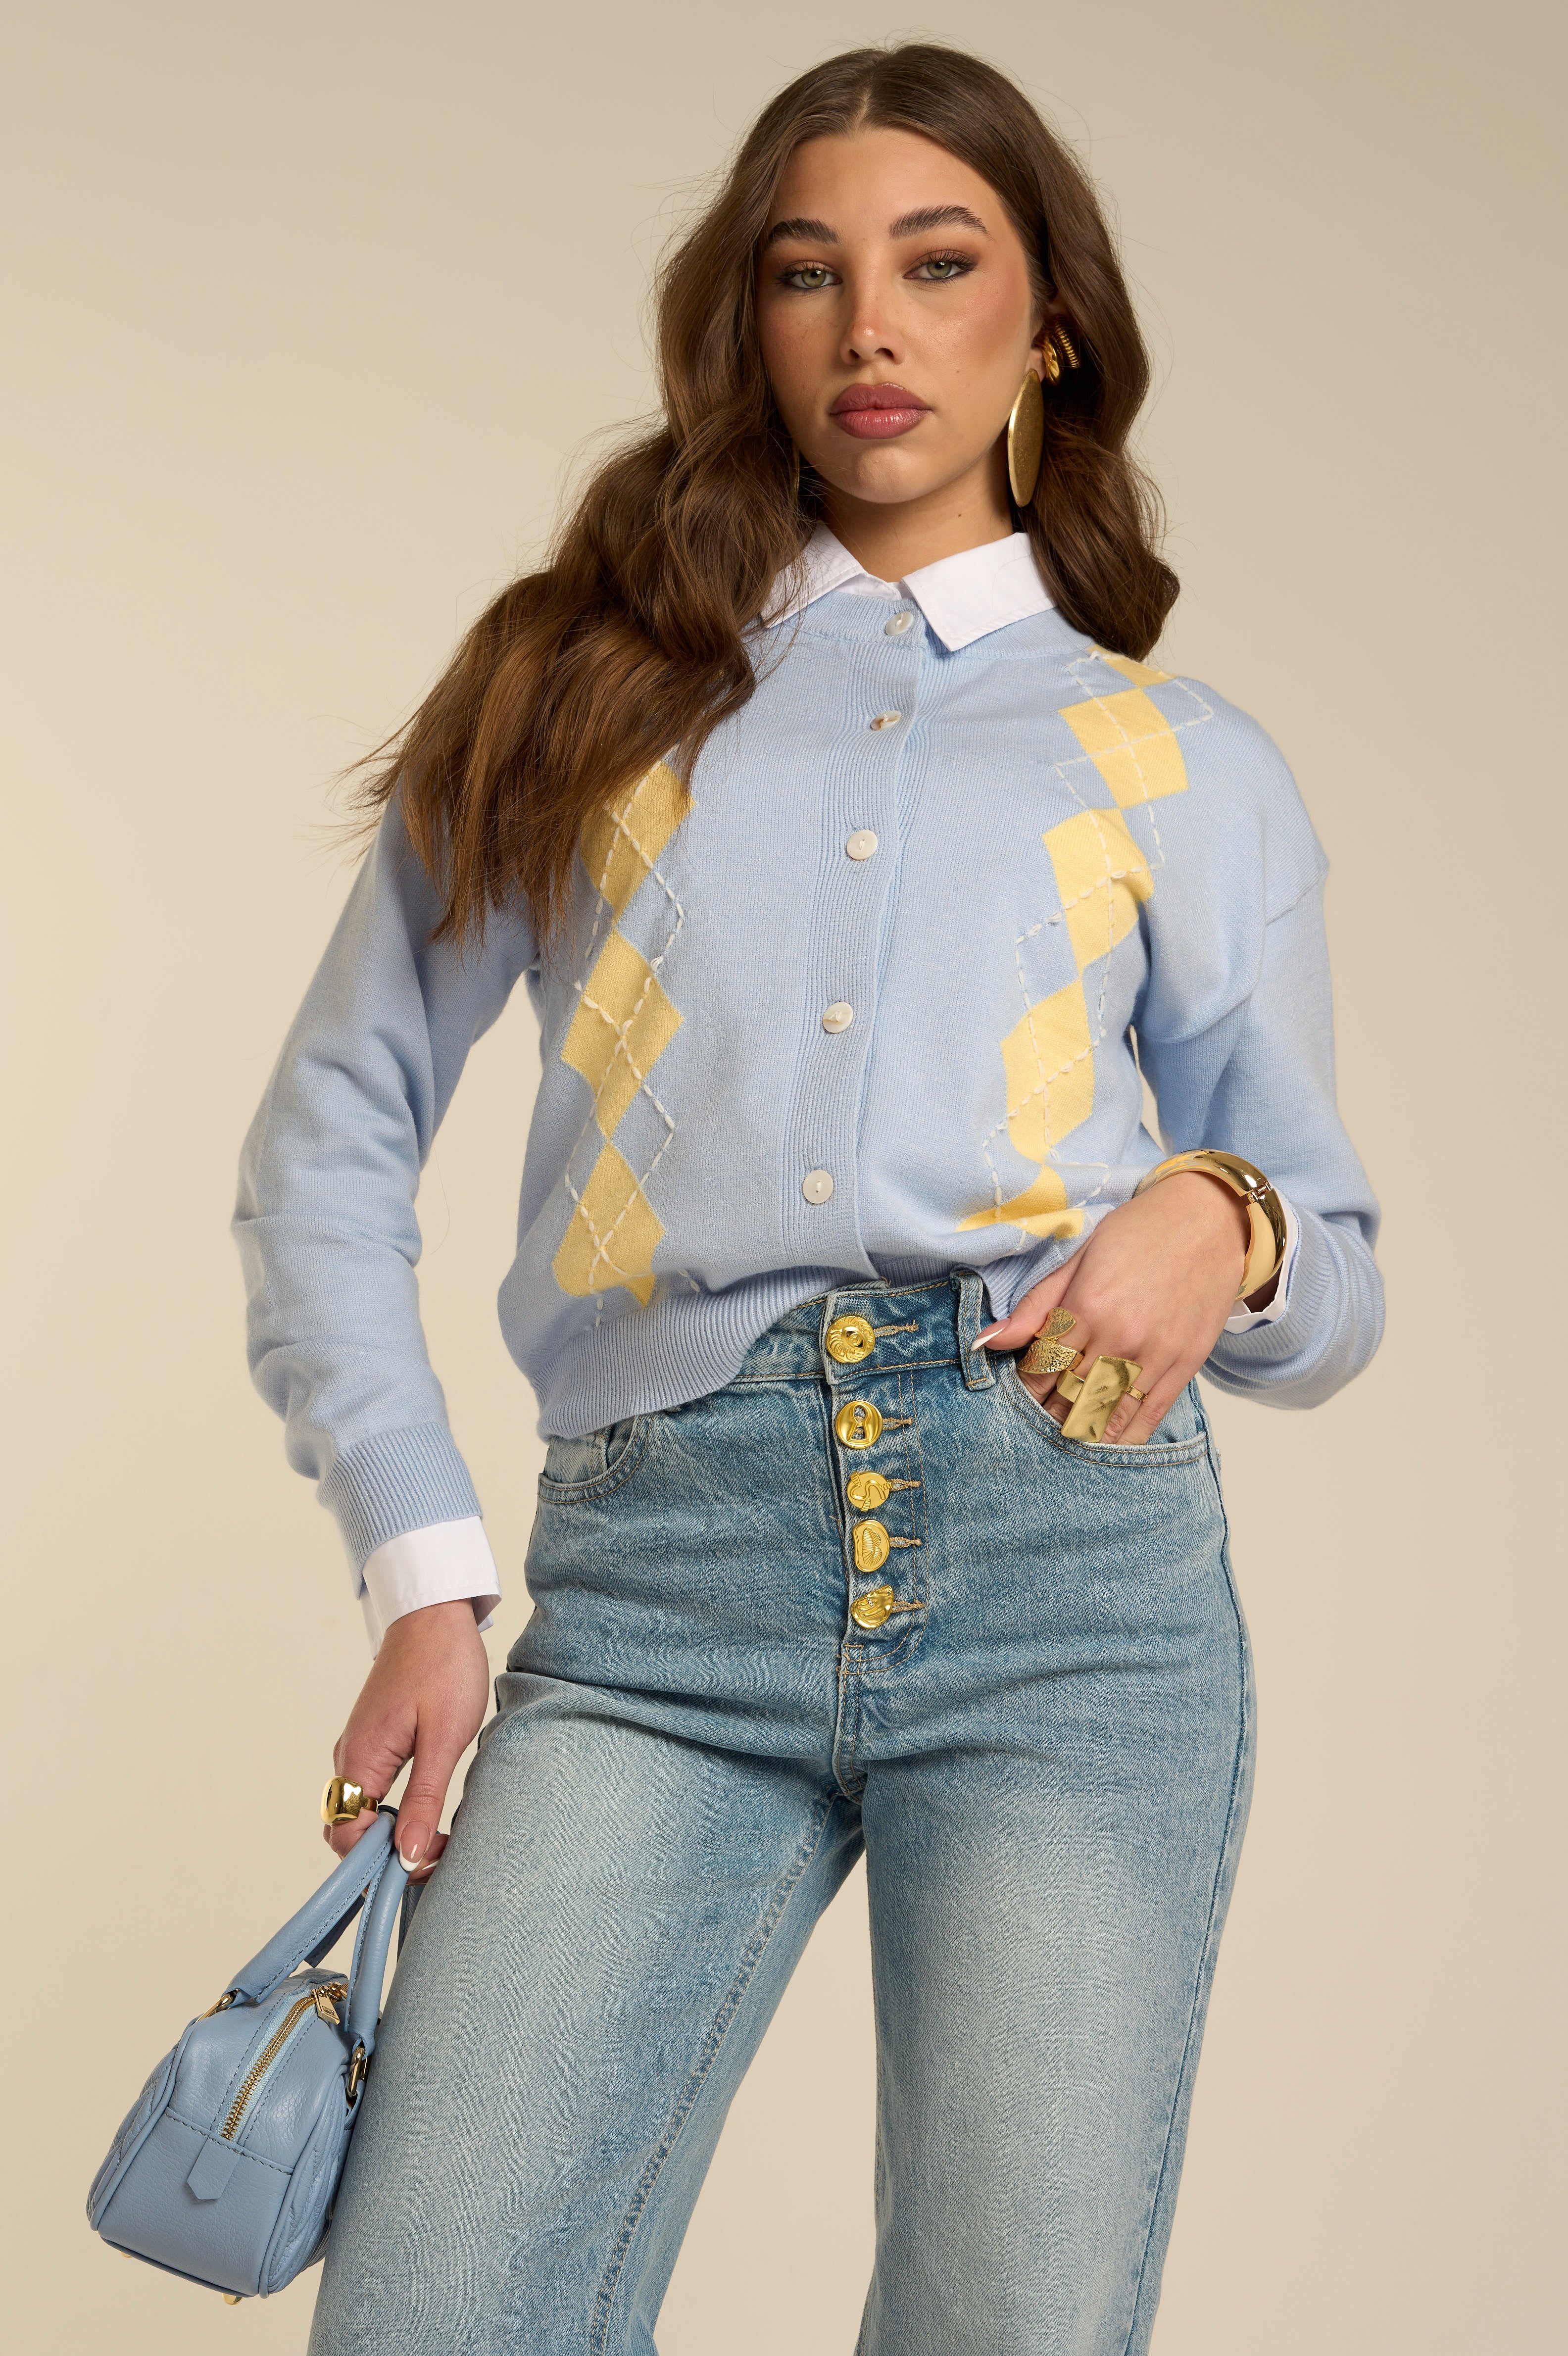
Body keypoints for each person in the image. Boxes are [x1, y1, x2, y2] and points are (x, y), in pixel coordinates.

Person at [234, 41, 1382, 2356]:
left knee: (1007, 2323)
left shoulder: (1187, 761)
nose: (871, 327)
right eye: (807, 273)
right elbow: (328, 1134)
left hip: (1073, 1581)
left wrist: (1231, 1215)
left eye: (938, 266)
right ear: (745, 323)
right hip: (661, 1587)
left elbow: (1334, 1271)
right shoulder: (579, 687)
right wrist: (424, 1568)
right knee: (438, 2311)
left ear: (1046, 322)